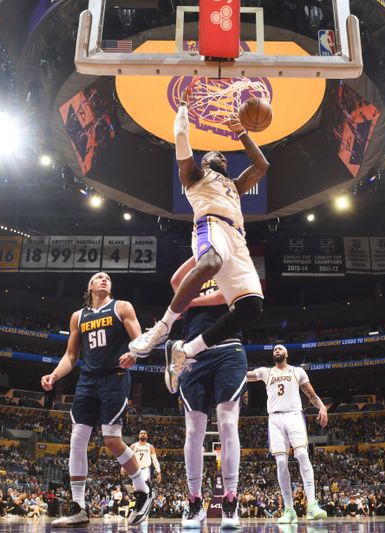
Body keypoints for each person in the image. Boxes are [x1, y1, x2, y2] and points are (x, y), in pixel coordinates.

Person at [129, 88, 269, 378]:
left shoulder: (234, 184)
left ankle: (185, 351)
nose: (225, 160)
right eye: (218, 155)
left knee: (252, 307)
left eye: (226, 158)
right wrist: (182, 107)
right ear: (205, 160)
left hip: (237, 239)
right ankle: (162, 328)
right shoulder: (195, 175)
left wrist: (243, 132)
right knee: (209, 264)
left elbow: (262, 165)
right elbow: (181, 138)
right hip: (211, 225)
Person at [41, 272, 154, 526]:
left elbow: (141, 342)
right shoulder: (78, 317)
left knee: (111, 440)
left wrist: (134, 354)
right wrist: (54, 375)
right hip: (87, 381)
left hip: (114, 378)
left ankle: (143, 489)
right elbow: (71, 356)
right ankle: (78, 508)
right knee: (77, 439)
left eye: (107, 278)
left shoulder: (122, 307)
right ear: (90, 286)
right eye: (99, 277)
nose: (104, 279)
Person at [167, 258, 249, 529]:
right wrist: (198, 253)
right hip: (193, 352)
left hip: (228, 348)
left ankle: (230, 501)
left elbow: (227, 296)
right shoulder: (197, 272)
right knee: (193, 431)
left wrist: (188, 302)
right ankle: (193, 503)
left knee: (227, 424)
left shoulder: (234, 265)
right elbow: (175, 283)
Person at [248, 344, 329, 523]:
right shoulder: (265, 372)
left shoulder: (297, 371)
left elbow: (311, 395)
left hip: (294, 416)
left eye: (280, 349)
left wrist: (322, 406)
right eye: (274, 350)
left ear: (286, 353)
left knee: (301, 454)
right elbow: (245, 375)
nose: (277, 350)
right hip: (275, 419)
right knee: (281, 462)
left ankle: (312, 505)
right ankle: (289, 509)